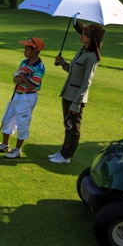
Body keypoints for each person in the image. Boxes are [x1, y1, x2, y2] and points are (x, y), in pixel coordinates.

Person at [50, 21, 104, 164]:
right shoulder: (81, 51)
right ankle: (63, 151)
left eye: (85, 34)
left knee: (73, 128)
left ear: (92, 38)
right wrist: (62, 63)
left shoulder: (92, 56)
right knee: (67, 125)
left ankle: (67, 156)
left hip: (76, 99)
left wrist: (76, 103)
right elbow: (72, 71)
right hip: (67, 93)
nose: (82, 35)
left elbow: (87, 82)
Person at [0, 37, 45, 159]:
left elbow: (31, 86)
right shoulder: (24, 62)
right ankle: (4, 145)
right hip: (17, 95)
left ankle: (17, 150)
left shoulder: (39, 67)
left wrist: (23, 77)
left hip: (28, 97)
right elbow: (15, 77)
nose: (24, 51)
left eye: (27, 49)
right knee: (7, 119)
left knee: (22, 123)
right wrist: (17, 78)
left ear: (35, 50)